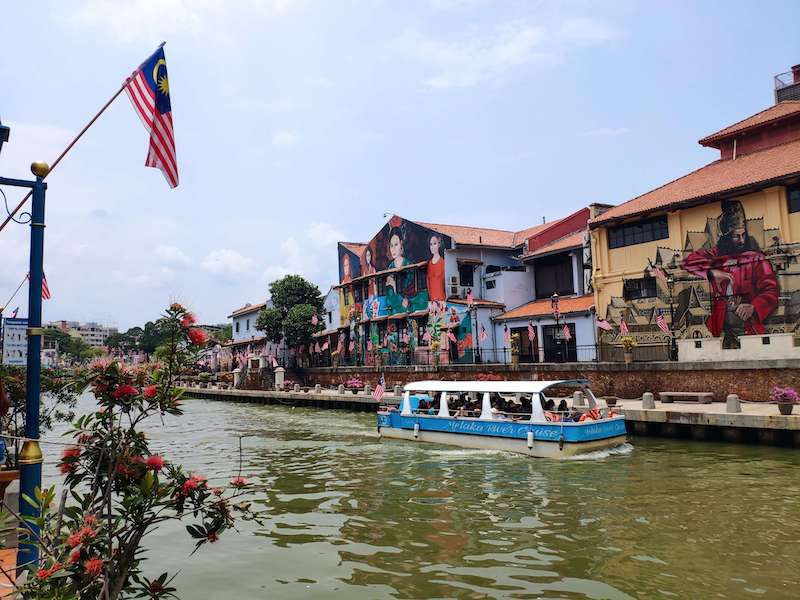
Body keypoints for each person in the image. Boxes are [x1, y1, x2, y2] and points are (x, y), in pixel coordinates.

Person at [683, 199, 779, 347]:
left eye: (743, 235)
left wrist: (754, 306)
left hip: (748, 329)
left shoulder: (756, 258)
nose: (741, 240)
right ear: (727, 237)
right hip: (721, 331)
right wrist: (712, 273)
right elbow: (689, 261)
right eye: (736, 236)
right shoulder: (716, 255)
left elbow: (771, 291)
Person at [426, 234, 446, 301]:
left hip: (442, 300)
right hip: (431, 302)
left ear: (439, 244)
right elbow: (428, 283)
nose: (432, 246)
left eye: (434, 243)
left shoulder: (443, 262)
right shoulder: (429, 264)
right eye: (431, 244)